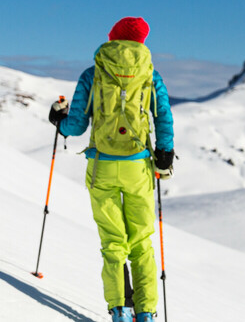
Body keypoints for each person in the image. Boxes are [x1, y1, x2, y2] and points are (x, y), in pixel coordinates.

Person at [48, 17, 175, 322]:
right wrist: (165, 154)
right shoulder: (151, 75)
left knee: (112, 242)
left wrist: (58, 120)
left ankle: (119, 311)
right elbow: (164, 117)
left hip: (102, 166)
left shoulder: (93, 74)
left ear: (113, 38)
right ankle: (146, 314)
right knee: (141, 242)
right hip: (138, 167)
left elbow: (76, 125)